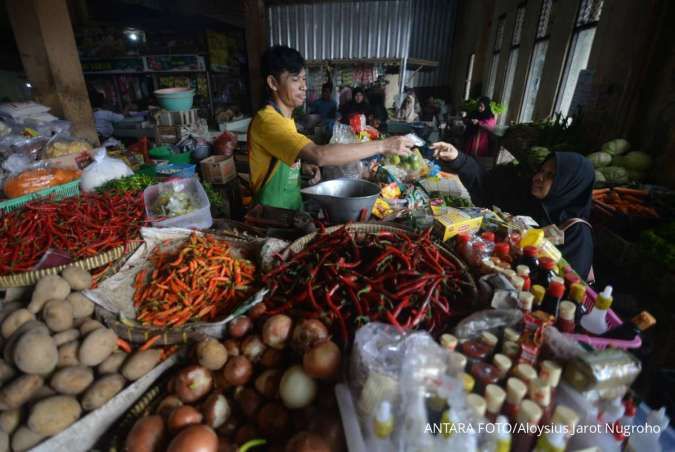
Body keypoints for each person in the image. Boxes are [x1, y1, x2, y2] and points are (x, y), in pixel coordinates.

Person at [247, 45, 413, 211]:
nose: (304, 86)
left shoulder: (285, 118)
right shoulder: (267, 121)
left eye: (304, 79)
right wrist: (383, 145)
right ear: (273, 83)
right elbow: (320, 155)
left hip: (291, 210)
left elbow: (278, 157)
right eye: (295, 79)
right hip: (270, 218)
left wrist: (302, 166)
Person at [431, 141, 595, 280]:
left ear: (569, 185)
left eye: (551, 175)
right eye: (541, 171)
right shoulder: (530, 200)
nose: (538, 177)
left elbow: (565, 284)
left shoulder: (576, 234)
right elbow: (486, 186)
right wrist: (458, 159)